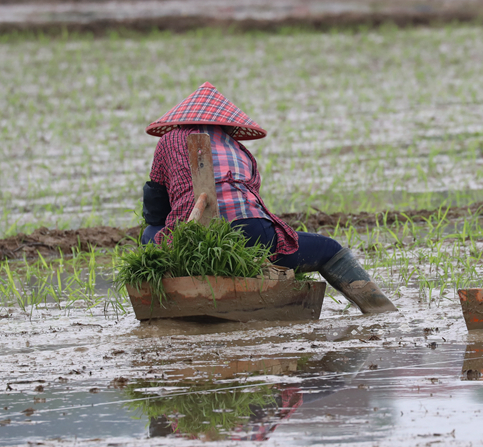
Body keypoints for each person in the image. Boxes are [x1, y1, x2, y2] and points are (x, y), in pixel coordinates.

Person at [141, 82, 395, 314]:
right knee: (329, 249)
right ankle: (380, 310)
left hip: (190, 242)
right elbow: (253, 203)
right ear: (226, 124)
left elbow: (155, 209)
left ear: (181, 119)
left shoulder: (167, 142)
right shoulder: (240, 149)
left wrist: (172, 233)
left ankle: (165, 299)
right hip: (252, 233)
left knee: (150, 231)